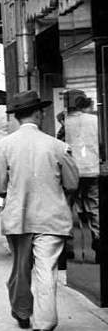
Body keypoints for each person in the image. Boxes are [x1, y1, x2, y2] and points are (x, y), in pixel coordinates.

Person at [0, 90, 79, 331]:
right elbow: (72, 182)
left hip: (18, 217)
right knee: (46, 270)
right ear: (38, 114)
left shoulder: (3, 146)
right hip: (52, 218)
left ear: (16, 117)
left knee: (21, 267)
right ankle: (45, 327)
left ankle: (21, 310)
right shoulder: (57, 146)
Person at [62, 90, 100, 262]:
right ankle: (98, 239)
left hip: (72, 171)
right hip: (92, 168)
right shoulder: (95, 120)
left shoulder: (66, 123)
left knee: (68, 207)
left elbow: (61, 146)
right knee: (93, 206)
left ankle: (68, 245)